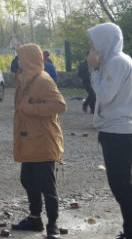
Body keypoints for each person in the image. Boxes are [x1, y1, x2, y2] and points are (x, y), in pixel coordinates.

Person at [11, 44, 66, 239]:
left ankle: (53, 225)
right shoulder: (25, 79)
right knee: (28, 180)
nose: (17, 61)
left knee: (47, 186)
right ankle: (35, 218)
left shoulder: (43, 80)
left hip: (43, 141)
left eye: (20, 58)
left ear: (29, 59)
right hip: (28, 141)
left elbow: (60, 105)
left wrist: (32, 108)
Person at [87, 23, 132, 239]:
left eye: (93, 42)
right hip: (120, 129)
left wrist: (94, 70)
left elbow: (105, 96)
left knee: (120, 184)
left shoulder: (115, 63)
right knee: (123, 183)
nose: (90, 46)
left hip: (117, 132)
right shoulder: (121, 61)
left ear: (105, 40)